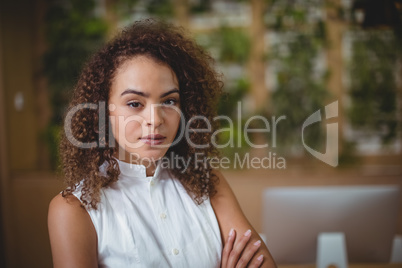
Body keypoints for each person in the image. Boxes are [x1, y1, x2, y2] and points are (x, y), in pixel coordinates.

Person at [48, 19, 277, 268]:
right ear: (102, 111)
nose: (155, 120)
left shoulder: (207, 183)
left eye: (169, 101)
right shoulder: (73, 210)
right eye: (135, 104)